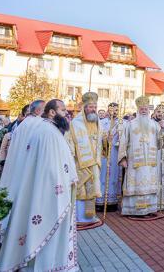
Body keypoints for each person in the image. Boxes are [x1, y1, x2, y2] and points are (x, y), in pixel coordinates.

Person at [0, 99, 78, 272]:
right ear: (52, 112)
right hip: (50, 193)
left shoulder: (49, 129)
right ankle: (47, 266)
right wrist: (66, 182)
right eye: (63, 110)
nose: (67, 114)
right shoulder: (48, 132)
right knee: (48, 233)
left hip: (45, 189)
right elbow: (49, 167)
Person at [118, 96, 162, 216]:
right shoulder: (130, 124)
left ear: (149, 110)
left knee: (149, 184)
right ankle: (133, 210)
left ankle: (150, 209)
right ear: (138, 110)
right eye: (142, 109)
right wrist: (123, 158)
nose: (144, 110)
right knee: (135, 185)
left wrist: (163, 132)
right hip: (134, 163)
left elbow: (161, 143)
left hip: (150, 162)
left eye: (146, 109)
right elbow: (123, 141)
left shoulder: (154, 125)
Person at [67, 92, 103, 226]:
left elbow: (99, 140)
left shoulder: (97, 122)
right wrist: (72, 157)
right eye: (90, 107)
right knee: (81, 190)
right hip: (80, 162)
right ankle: (78, 217)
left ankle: (89, 216)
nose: (93, 109)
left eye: (95, 106)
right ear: (84, 108)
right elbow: (69, 142)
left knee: (92, 190)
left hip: (94, 162)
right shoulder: (75, 123)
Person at [0, 100, 45, 200]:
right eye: (44, 109)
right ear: (37, 111)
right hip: (30, 164)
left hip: (18, 162)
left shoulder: (23, 124)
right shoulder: (39, 123)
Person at [97, 102, 123, 209]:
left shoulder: (122, 123)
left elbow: (125, 138)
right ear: (108, 110)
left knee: (114, 177)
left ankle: (113, 202)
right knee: (103, 176)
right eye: (112, 110)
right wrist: (106, 139)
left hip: (116, 153)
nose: (114, 112)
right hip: (104, 154)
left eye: (116, 110)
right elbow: (98, 136)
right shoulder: (102, 122)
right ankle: (100, 201)